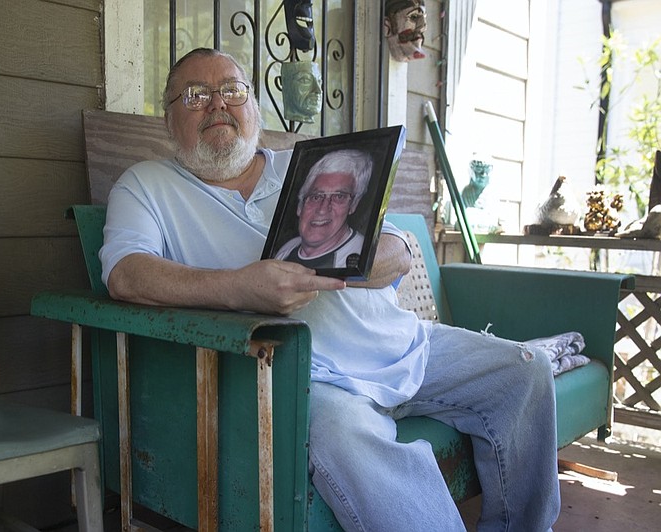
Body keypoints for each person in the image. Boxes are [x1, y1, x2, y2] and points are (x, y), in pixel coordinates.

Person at [100, 48, 560, 531]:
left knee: (525, 371)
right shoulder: (147, 186)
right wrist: (239, 288)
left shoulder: (311, 167)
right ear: (168, 120)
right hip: (305, 374)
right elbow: (126, 273)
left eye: (232, 90)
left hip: (399, 344)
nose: (218, 104)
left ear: (253, 106)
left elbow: (389, 242)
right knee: (348, 436)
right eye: (196, 95)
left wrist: (394, 249)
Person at [274, 149, 371, 269]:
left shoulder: (361, 254)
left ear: (353, 205)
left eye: (339, 197)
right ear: (300, 206)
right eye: (316, 197)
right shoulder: (287, 250)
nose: (322, 209)